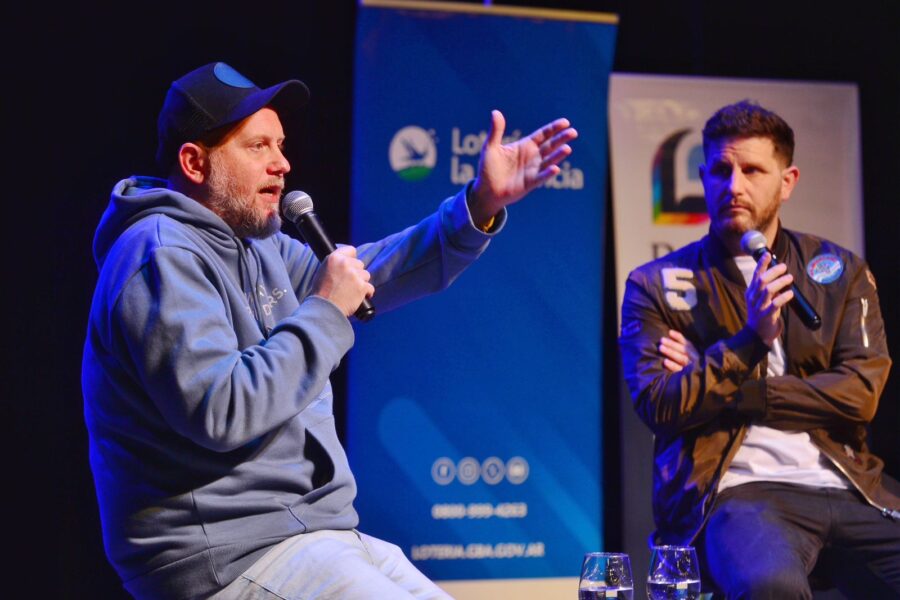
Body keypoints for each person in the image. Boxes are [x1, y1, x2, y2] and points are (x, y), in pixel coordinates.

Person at [82, 61, 577, 600]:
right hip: (224, 554)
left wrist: (477, 205)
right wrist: (324, 308)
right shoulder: (159, 254)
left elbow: (369, 274)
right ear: (194, 162)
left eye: (281, 145)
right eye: (258, 148)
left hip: (314, 533)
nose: (281, 164)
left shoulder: (261, 244)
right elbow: (221, 409)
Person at [618, 100, 900, 598]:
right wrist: (750, 340)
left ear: (787, 181)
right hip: (741, 496)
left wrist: (728, 385)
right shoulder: (656, 284)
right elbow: (659, 405)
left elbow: (861, 394)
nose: (735, 186)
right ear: (702, 177)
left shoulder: (840, 270)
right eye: (721, 170)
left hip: (849, 486)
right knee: (769, 586)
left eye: (752, 170)